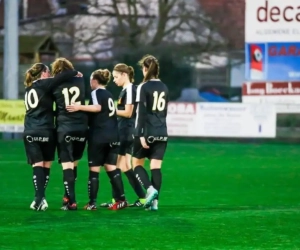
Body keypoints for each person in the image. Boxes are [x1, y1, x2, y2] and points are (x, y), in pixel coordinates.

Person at [66, 69, 128, 211]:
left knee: (94, 170)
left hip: (99, 136)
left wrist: (78, 107)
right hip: (113, 135)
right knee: (111, 168)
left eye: (90, 81)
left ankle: (92, 203)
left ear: (95, 80)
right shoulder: (109, 94)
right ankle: (121, 199)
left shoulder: (96, 93)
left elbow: (97, 107)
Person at [23, 62, 78, 211]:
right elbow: (63, 76)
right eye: (48, 72)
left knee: (37, 165)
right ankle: (39, 198)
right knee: (46, 165)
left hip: (29, 131)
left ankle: (39, 199)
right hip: (45, 130)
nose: (50, 75)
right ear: (43, 73)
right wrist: (75, 73)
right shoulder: (44, 84)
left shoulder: (29, 88)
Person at [100, 63, 145, 208]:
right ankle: (142, 198)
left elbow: (128, 113)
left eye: (116, 77)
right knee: (124, 166)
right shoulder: (126, 90)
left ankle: (118, 200)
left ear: (125, 75)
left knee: (113, 166)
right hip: (126, 131)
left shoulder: (131, 89)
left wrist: (110, 110)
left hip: (126, 131)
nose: (114, 80)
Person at [132, 55, 169, 211]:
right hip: (162, 131)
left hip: (147, 131)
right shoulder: (165, 87)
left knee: (136, 164)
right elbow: (164, 112)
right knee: (156, 168)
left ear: (145, 69)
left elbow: (141, 113)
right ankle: (155, 203)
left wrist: (139, 134)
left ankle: (149, 189)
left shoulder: (143, 86)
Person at [51, 57, 88, 211]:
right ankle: (67, 196)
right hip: (81, 127)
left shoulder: (54, 84)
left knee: (67, 166)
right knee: (74, 164)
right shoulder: (80, 79)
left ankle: (71, 201)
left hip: (65, 127)